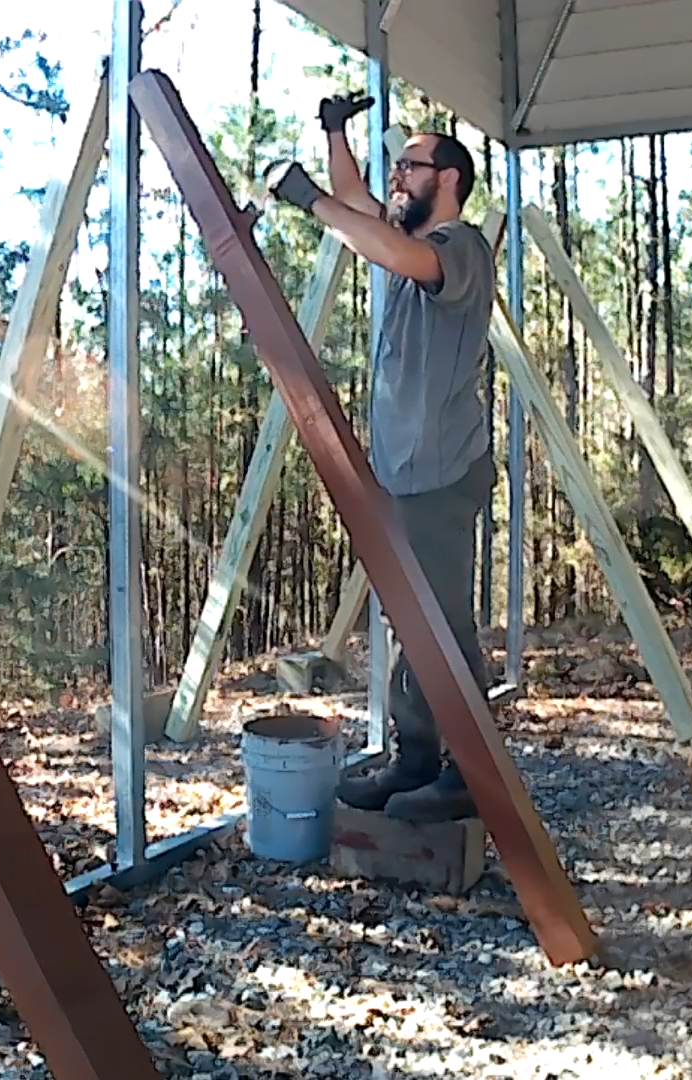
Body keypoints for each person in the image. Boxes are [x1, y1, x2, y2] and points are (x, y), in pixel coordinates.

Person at [260, 93, 495, 824]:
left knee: (443, 624)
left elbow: (381, 241)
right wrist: (334, 131)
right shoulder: (406, 239)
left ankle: (467, 771)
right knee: (410, 620)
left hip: (441, 474)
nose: (398, 177)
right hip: (403, 472)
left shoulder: (459, 249)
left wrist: (306, 201)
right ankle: (417, 758)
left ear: (448, 179)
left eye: (411, 166)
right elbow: (357, 207)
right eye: (396, 166)